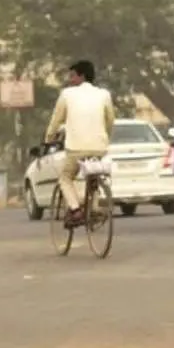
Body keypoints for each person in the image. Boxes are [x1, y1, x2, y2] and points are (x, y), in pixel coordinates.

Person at [44, 60, 115, 227]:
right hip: (99, 147)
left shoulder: (67, 94)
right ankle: (94, 207)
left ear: (82, 76)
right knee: (94, 176)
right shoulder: (104, 94)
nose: (70, 79)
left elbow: (56, 120)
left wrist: (49, 138)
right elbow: (110, 120)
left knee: (65, 178)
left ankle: (76, 211)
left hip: (76, 148)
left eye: (73, 76)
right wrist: (106, 136)